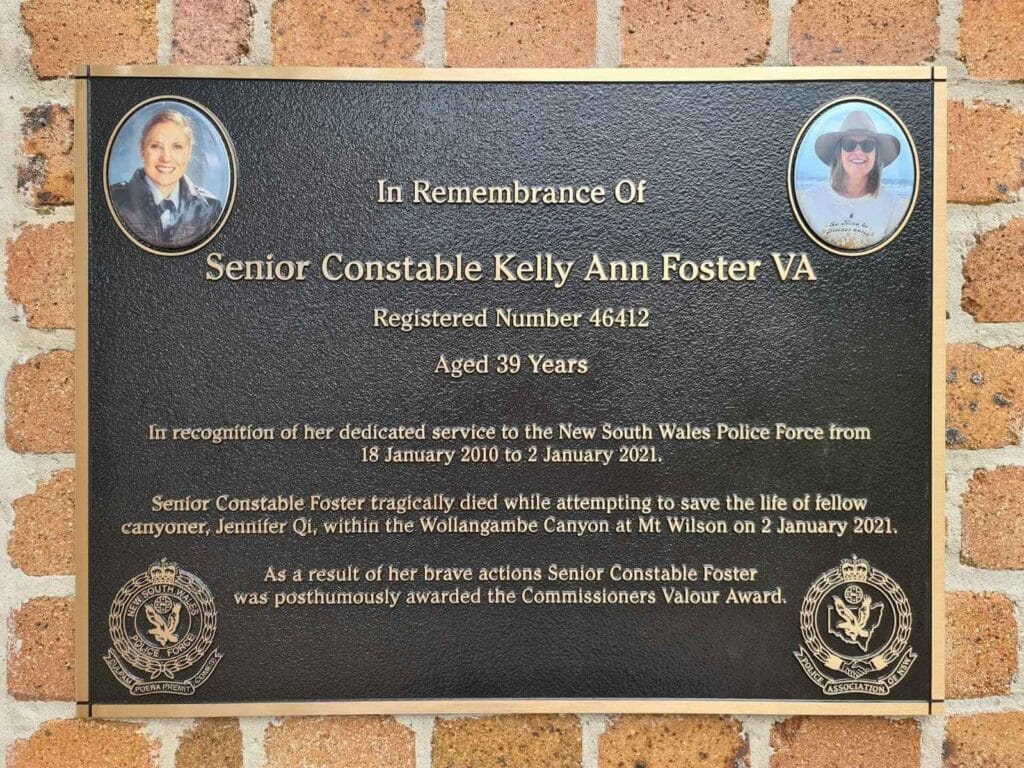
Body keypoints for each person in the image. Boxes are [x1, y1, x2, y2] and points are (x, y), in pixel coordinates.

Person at [797, 109, 910, 252]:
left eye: (867, 145)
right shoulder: (810, 201)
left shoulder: (893, 206)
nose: (858, 152)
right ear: (839, 153)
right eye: (849, 144)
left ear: (876, 155)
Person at [109, 109, 223, 250]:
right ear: (142, 149)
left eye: (177, 147)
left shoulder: (209, 209)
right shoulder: (115, 201)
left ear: (188, 153)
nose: (166, 158)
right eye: (156, 146)